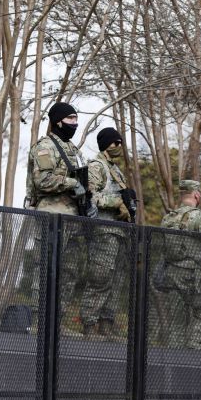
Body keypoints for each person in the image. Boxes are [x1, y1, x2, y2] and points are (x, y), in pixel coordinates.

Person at [26, 102, 93, 317]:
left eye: (75, 118)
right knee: (45, 266)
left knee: (70, 270)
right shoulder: (45, 146)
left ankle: (58, 317)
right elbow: (42, 181)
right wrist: (72, 184)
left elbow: (85, 180)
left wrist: (88, 198)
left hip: (74, 218)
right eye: (71, 118)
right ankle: (39, 318)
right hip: (51, 214)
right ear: (58, 121)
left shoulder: (74, 150)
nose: (75, 123)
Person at [80, 127, 134, 337]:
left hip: (120, 232)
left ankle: (106, 323)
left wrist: (127, 211)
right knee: (100, 277)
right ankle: (89, 324)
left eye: (120, 143)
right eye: (114, 143)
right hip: (103, 230)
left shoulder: (116, 171)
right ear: (105, 144)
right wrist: (117, 203)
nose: (118, 146)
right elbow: (91, 197)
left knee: (117, 280)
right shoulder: (96, 166)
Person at [153, 180, 201, 349]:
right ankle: (194, 350)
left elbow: (162, 247)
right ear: (196, 195)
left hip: (171, 276)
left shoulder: (168, 218)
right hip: (193, 276)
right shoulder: (200, 216)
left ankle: (174, 358)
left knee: (177, 318)